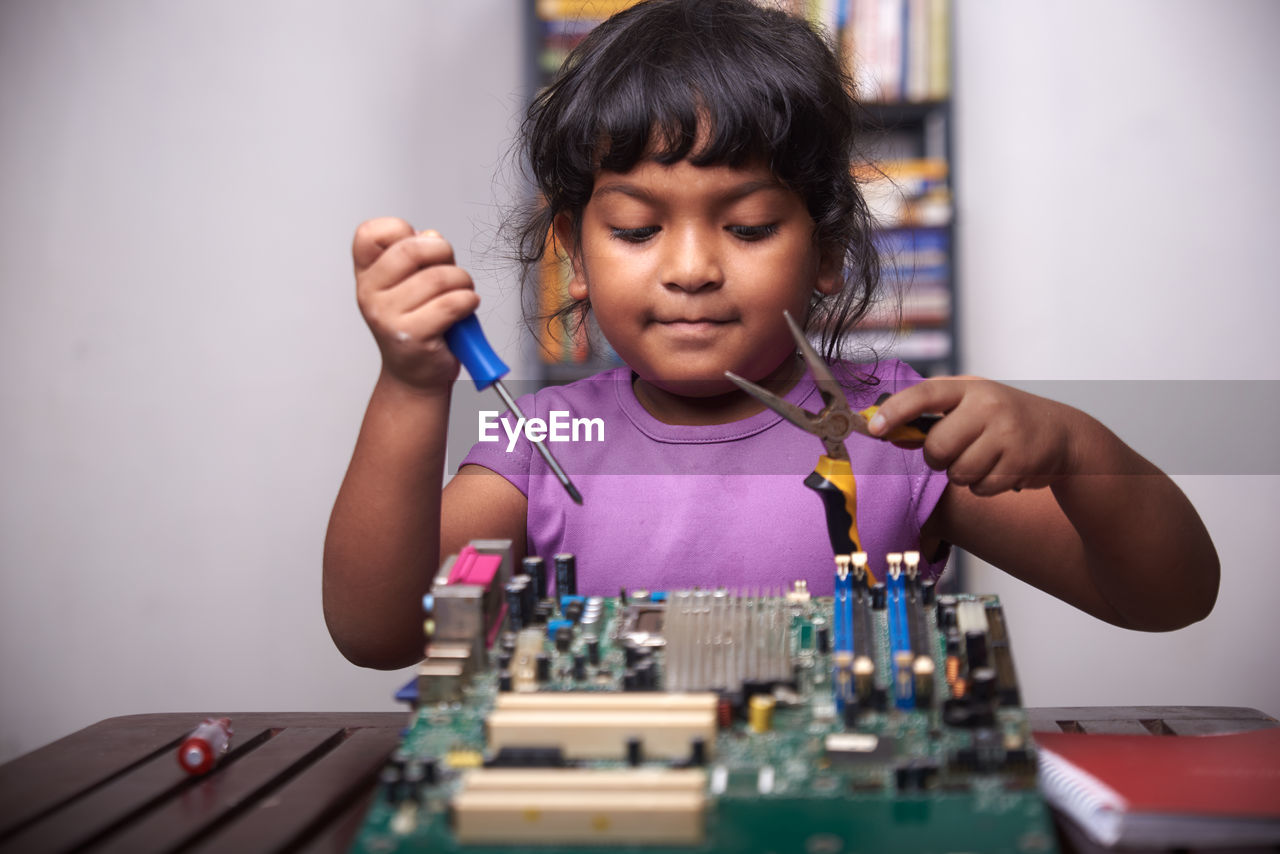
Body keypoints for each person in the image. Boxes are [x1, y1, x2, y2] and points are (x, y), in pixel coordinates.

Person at [323, 0, 1218, 670]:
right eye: (636, 229)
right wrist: (409, 385)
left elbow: (1167, 597)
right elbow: (381, 632)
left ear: (825, 250)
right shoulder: (545, 443)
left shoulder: (901, 434)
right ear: (575, 255)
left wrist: (1072, 446)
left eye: (747, 227)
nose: (691, 268)